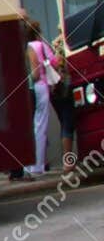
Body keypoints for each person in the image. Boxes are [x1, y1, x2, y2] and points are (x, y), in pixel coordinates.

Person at [26, 19, 61, 177]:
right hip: (42, 86)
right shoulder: (39, 45)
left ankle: (32, 163)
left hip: (32, 88)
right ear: (38, 32)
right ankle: (38, 165)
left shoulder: (27, 47)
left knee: (34, 125)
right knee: (41, 126)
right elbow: (53, 62)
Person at [53, 36, 76, 171]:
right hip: (65, 92)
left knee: (64, 125)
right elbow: (62, 72)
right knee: (68, 125)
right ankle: (68, 162)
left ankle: (68, 160)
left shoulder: (53, 52)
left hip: (56, 94)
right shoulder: (61, 53)